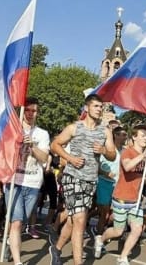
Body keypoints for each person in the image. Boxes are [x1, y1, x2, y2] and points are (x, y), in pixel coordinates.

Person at [49, 94, 116, 265]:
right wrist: (70, 158)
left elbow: (112, 155)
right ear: (87, 108)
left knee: (73, 220)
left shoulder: (105, 130)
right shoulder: (75, 128)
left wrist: (103, 151)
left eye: (101, 107)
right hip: (73, 177)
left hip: (91, 180)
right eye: (96, 106)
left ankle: (56, 248)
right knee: (80, 221)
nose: (99, 109)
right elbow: (55, 145)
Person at [94, 124, 146, 265]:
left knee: (137, 229)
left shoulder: (144, 155)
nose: (145, 139)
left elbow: (143, 174)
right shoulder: (127, 152)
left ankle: (122, 257)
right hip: (122, 198)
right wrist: (143, 156)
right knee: (118, 231)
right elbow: (128, 167)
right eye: (142, 136)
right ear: (134, 137)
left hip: (135, 200)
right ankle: (100, 239)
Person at [4, 97, 50, 265]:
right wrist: (16, 143)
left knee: (21, 221)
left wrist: (32, 146)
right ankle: (18, 262)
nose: (30, 113)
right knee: (16, 222)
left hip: (33, 183)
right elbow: (4, 154)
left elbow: (44, 158)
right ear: (22, 112)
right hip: (14, 181)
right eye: (28, 110)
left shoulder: (42, 134)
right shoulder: (11, 131)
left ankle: (10, 241)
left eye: (34, 111)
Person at [95, 126, 126, 236]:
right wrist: (106, 173)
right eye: (123, 134)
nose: (125, 137)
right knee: (104, 212)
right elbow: (96, 167)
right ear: (116, 135)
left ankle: (101, 230)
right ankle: (98, 235)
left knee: (113, 213)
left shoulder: (125, 151)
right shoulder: (106, 149)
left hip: (118, 185)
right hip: (104, 183)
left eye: (126, 135)